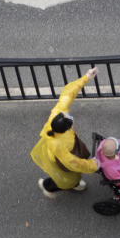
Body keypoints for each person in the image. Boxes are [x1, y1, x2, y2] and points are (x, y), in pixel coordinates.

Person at [30, 67, 100, 198]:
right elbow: (72, 162)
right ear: (66, 129)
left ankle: (61, 184)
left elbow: (68, 94)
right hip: (60, 157)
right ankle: (49, 186)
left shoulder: (57, 114)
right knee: (66, 177)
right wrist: (93, 165)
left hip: (61, 151)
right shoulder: (59, 145)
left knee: (66, 176)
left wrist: (86, 78)